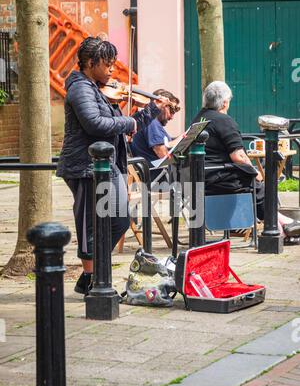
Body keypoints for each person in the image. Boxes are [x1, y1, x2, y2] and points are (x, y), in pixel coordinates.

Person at [56, 37, 170, 295]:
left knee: (119, 219)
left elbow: (127, 124)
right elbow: (95, 124)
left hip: (109, 165)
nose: (111, 70)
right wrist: (129, 123)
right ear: (89, 63)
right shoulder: (80, 88)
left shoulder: (97, 88)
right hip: (86, 166)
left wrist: (151, 110)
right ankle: (91, 277)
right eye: (107, 65)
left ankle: (96, 272)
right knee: (91, 223)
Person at [191, 80, 300, 245]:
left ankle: (283, 225)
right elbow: (239, 157)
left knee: (256, 187)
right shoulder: (223, 120)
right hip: (221, 180)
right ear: (225, 102)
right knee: (258, 185)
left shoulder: (198, 118)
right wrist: (256, 173)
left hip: (201, 179)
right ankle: (280, 227)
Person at [130, 89, 180, 182]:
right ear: (160, 104)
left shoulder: (154, 123)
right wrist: (184, 137)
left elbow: (167, 144)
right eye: (172, 110)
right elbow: (164, 156)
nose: (172, 117)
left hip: (160, 178)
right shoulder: (152, 123)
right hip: (157, 180)